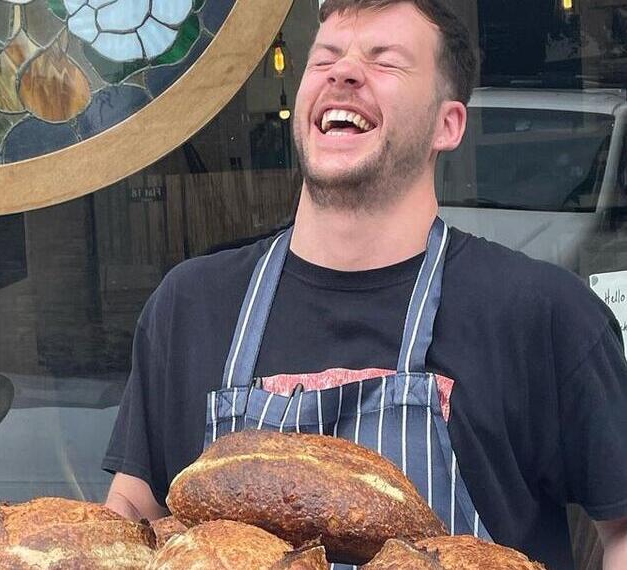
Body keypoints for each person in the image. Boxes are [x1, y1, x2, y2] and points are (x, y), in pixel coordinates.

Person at [99, 0, 627, 568]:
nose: (343, 72)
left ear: (447, 125)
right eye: (324, 57)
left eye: (385, 62)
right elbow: (134, 517)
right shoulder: (189, 306)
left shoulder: (542, 316)